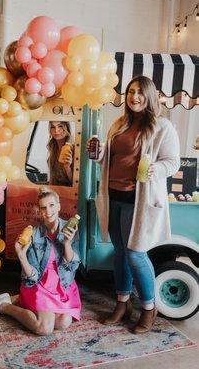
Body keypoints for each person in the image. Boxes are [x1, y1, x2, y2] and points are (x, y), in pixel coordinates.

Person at [87, 75, 180, 334]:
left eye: (139, 92)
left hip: (138, 201)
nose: (134, 96)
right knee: (119, 251)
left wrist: (156, 169)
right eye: (130, 91)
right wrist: (97, 153)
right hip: (113, 196)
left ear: (149, 96)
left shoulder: (162, 126)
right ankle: (122, 303)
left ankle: (149, 307)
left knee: (136, 254)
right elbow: (110, 158)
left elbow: (173, 162)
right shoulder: (119, 123)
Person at [0, 186, 81, 336]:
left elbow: (72, 266)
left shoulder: (70, 229)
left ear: (58, 206)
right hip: (40, 284)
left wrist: (67, 243)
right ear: (39, 210)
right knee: (44, 328)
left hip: (62, 284)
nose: (48, 211)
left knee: (63, 323)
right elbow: (33, 276)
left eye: (51, 206)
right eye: (43, 208)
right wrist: (21, 255)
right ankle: (4, 306)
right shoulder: (34, 234)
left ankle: (19, 299)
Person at [47, 121, 74, 186]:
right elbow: (52, 178)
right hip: (55, 191)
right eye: (53, 127)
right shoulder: (52, 147)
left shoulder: (73, 148)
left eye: (60, 126)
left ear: (67, 128)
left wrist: (67, 168)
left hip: (68, 192)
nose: (56, 130)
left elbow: (77, 184)